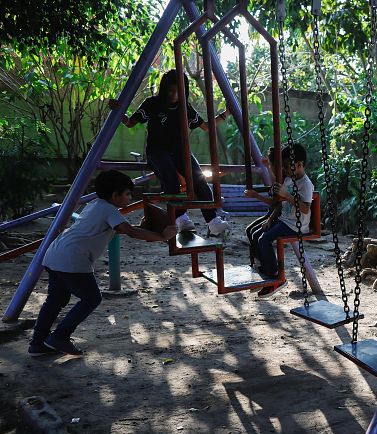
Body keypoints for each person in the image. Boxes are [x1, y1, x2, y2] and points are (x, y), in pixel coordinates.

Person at [29, 171, 176, 356]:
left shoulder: (95, 205)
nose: (130, 198)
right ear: (115, 195)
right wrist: (163, 236)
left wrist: (146, 229)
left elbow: (120, 229)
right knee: (92, 298)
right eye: (128, 194)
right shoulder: (109, 210)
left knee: (55, 301)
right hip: (73, 259)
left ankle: (37, 343)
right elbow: (129, 231)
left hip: (56, 254)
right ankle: (60, 337)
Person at [110, 69, 228, 236]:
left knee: (199, 179)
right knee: (170, 178)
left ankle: (213, 221)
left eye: (179, 91)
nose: (174, 95)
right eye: (171, 90)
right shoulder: (152, 103)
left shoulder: (185, 107)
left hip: (179, 151)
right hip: (157, 151)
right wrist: (119, 112)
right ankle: (181, 219)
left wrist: (226, 113)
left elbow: (206, 127)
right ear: (164, 89)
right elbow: (130, 122)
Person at [244, 142, 313, 297]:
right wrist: (270, 220)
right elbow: (279, 205)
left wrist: (287, 195)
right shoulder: (289, 179)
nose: (285, 171)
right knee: (255, 233)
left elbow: (305, 208)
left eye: (288, 167)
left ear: (299, 164)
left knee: (264, 239)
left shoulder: (305, 184)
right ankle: (265, 271)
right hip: (283, 219)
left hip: (295, 225)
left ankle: (277, 277)